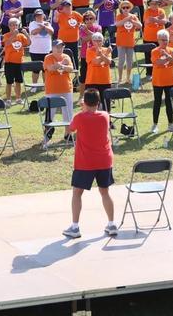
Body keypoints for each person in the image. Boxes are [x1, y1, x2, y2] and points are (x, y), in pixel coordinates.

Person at [62, 88, 118, 239]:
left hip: (85, 162)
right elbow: (94, 115)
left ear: (84, 102)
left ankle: (75, 227)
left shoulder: (79, 117)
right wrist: (86, 108)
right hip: (104, 160)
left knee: (77, 193)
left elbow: (69, 130)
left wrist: (82, 109)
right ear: (98, 103)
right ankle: (112, 224)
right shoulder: (105, 116)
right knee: (105, 192)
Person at [44, 40, 75, 141]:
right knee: (50, 114)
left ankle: (68, 134)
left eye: (61, 47)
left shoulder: (67, 56)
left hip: (66, 89)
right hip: (52, 90)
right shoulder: (48, 57)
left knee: (68, 113)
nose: (59, 49)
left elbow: (71, 69)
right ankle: (47, 135)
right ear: (52, 48)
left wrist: (62, 66)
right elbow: (51, 68)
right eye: (57, 47)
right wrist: (62, 64)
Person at [150, 29, 173, 134]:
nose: (164, 42)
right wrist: (169, 58)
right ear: (158, 40)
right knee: (157, 102)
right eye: (162, 40)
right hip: (158, 81)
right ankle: (155, 124)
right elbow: (158, 62)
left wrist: (167, 55)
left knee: (169, 103)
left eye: (166, 40)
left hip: (169, 80)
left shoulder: (172, 50)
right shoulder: (154, 51)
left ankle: (171, 124)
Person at [2, 18, 29, 105]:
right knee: (9, 82)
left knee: (18, 81)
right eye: (12, 25)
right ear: (9, 26)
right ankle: (8, 99)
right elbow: (6, 44)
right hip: (9, 62)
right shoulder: (6, 35)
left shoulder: (21, 36)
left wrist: (26, 34)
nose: (14, 27)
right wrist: (13, 35)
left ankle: (18, 98)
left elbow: (29, 43)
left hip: (19, 62)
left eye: (16, 25)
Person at [115, 0, 141, 84]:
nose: (125, 9)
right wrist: (127, 18)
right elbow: (118, 24)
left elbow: (140, 26)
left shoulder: (133, 16)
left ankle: (128, 78)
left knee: (129, 62)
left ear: (130, 8)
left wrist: (132, 20)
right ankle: (120, 78)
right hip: (121, 42)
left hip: (130, 42)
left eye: (127, 7)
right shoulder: (119, 16)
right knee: (121, 61)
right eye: (123, 7)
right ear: (121, 9)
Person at [84, 33, 112, 107]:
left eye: (100, 40)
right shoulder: (89, 51)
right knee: (91, 106)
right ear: (92, 41)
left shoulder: (106, 50)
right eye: (95, 40)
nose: (98, 42)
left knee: (107, 106)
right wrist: (105, 54)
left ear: (103, 41)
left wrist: (102, 55)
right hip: (92, 81)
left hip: (105, 81)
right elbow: (95, 62)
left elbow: (108, 62)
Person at [27, 9, 53, 86]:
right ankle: (34, 86)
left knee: (45, 70)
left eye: (40, 15)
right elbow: (33, 32)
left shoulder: (47, 23)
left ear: (43, 16)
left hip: (47, 50)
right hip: (35, 51)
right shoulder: (32, 24)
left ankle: (45, 85)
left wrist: (44, 26)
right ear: (35, 16)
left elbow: (51, 32)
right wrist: (42, 27)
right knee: (36, 70)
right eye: (37, 15)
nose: (39, 17)